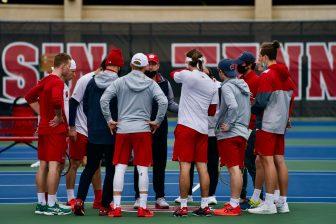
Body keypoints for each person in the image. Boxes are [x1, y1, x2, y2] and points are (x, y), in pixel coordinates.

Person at [100, 53, 168, 218]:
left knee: (120, 167)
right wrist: (157, 121)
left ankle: (116, 207)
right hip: (143, 129)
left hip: (123, 129)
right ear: (145, 67)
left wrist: (110, 120)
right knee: (143, 168)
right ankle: (142, 207)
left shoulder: (120, 81)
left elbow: (104, 99)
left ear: (131, 65)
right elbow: (164, 102)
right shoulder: (150, 84)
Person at [73, 49, 124, 216]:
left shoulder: (92, 81)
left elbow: (85, 105)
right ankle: (104, 205)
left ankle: (79, 200)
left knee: (90, 167)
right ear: (118, 66)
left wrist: (93, 121)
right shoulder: (120, 82)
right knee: (110, 169)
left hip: (93, 131)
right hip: (111, 131)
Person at [248, 40, 295, 215]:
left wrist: (248, 107)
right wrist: (287, 116)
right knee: (279, 160)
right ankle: (282, 202)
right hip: (280, 124)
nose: (259, 59)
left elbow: (260, 103)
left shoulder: (267, 75)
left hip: (267, 123)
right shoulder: (287, 76)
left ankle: (269, 203)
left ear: (265, 56)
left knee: (267, 161)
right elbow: (291, 99)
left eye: (260, 55)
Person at [171, 49, 218, 217]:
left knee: (184, 166)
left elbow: (173, 74)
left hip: (186, 127)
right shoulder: (212, 82)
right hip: (203, 129)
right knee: (202, 167)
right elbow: (212, 111)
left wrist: (191, 69)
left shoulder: (187, 75)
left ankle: (183, 206)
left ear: (188, 62)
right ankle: (204, 205)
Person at [25, 53, 73, 215]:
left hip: (44, 127)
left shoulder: (45, 80)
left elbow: (29, 97)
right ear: (64, 65)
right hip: (55, 130)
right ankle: (52, 204)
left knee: (43, 165)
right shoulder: (58, 82)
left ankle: (41, 203)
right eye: (69, 65)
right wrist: (58, 116)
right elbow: (56, 101)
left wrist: (44, 116)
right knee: (54, 165)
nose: (70, 69)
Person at [133, 53, 178, 209]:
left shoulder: (165, 83)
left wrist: (186, 109)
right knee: (140, 163)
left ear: (158, 66)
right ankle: (138, 197)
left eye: (154, 63)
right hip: (141, 127)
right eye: (149, 63)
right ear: (144, 65)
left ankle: (160, 196)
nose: (151, 66)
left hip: (160, 127)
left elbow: (171, 104)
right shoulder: (136, 81)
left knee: (160, 163)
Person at [66, 59, 107, 209]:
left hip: (95, 131)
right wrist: (72, 127)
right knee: (75, 163)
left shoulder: (109, 81)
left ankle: (98, 199)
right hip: (81, 129)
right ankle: (71, 198)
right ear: (101, 68)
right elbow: (73, 103)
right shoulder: (85, 79)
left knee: (95, 164)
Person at [212, 59, 251, 216]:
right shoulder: (243, 84)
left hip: (231, 133)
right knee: (238, 169)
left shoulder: (227, 86)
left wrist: (228, 123)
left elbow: (233, 106)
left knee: (234, 169)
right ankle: (234, 202)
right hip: (242, 132)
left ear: (221, 72)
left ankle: (234, 205)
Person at [235, 51, 263, 209]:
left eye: (242, 63)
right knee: (241, 163)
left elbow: (259, 105)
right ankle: (242, 196)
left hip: (251, 127)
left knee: (250, 163)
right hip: (240, 126)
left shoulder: (257, 80)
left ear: (249, 64)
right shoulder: (240, 79)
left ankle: (259, 196)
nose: (240, 65)